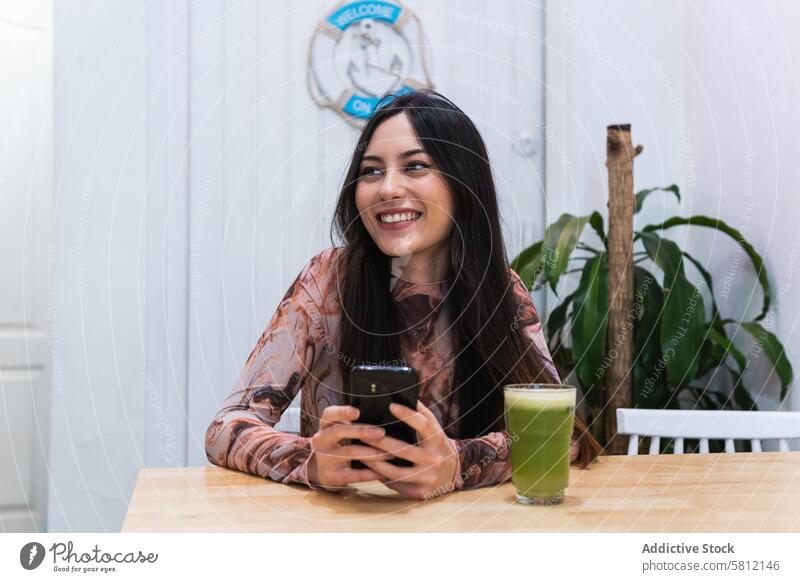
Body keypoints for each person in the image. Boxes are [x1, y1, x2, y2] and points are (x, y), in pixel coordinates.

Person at [205, 89, 602, 499]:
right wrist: (309, 460)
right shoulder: (326, 280)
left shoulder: (501, 289)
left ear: (462, 182)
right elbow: (226, 428)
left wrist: (457, 464)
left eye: (415, 166)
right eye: (372, 171)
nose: (387, 188)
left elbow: (562, 435)